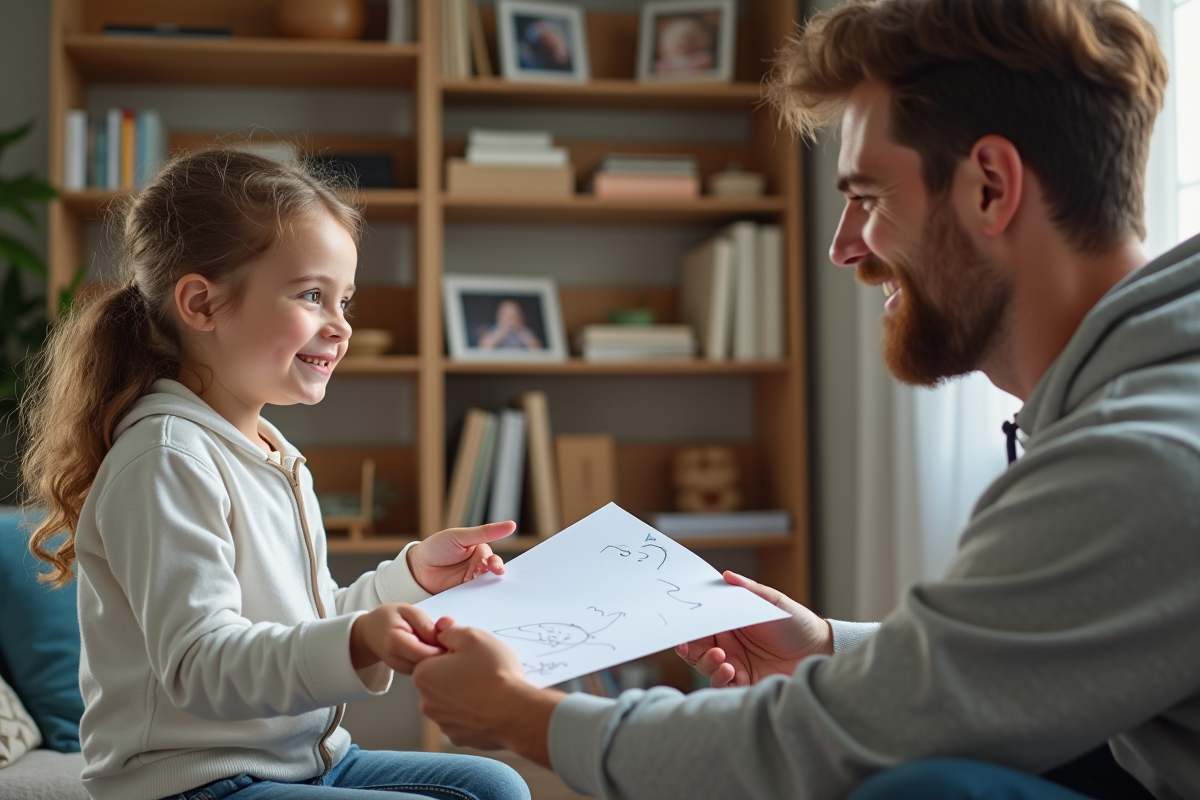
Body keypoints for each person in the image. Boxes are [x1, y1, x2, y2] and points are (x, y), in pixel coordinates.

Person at [401, 0, 1200, 798]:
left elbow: (837, 742)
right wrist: (827, 648)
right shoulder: (1146, 398)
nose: (843, 246)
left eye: (870, 197)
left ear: (991, 186)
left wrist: (525, 717)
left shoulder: (1139, 453)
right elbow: (1022, 662)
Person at [19, 148, 530, 800]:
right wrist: (357, 638)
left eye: (344, 300)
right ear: (202, 304)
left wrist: (412, 577)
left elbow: (303, 623)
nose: (340, 326)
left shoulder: (268, 450)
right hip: (193, 783)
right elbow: (201, 665)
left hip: (301, 760)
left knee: (494, 785)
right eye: (312, 295)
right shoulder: (167, 458)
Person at [476, 299, 543, 350]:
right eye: (508, 316)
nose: (512, 320)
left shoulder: (524, 330)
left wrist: (521, 330)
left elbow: (538, 348)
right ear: (499, 317)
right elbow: (484, 346)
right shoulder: (495, 329)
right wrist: (502, 330)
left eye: (515, 316)